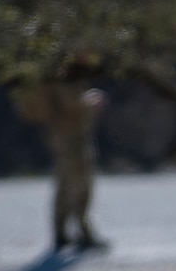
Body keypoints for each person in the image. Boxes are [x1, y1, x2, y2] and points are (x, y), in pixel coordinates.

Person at [13, 82, 108, 251]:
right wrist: (90, 102)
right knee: (80, 185)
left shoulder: (53, 74)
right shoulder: (63, 75)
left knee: (66, 183)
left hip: (62, 138)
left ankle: (62, 233)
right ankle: (81, 232)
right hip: (71, 140)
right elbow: (71, 105)